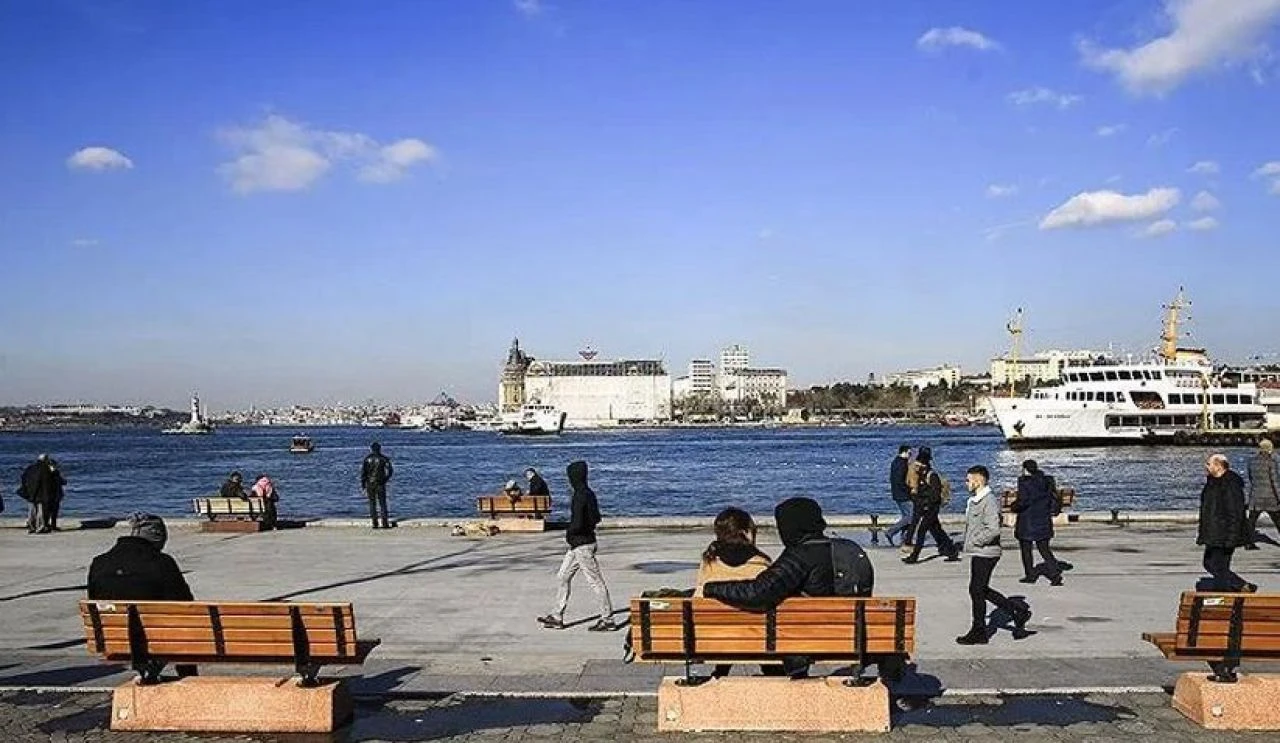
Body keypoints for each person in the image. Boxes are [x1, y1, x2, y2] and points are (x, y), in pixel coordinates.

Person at [702, 497, 880, 679]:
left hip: (807, 641)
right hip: (854, 635)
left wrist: (712, 588)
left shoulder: (798, 557)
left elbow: (757, 593)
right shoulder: (850, 549)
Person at [87, 513, 197, 677]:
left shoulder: (100, 562)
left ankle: (149, 673)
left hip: (114, 638)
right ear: (157, 537)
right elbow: (185, 602)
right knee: (185, 627)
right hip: (158, 638)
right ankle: (188, 678)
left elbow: (94, 598)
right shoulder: (161, 562)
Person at [956, 465, 1031, 645]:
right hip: (979, 551)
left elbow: (993, 529)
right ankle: (1016, 612)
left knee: (976, 590)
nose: (966, 483)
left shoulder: (988, 501)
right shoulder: (975, 500)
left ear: (978, 480)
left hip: (987, 552)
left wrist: (976, 541)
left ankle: (979, 631)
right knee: (980, 590)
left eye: (968, 479)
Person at [537, 460, 616, 632]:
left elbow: (578, 522)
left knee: (595, 582)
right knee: (563, 576)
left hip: (582, 545)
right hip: (579, 544)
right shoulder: (589, 494)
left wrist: (571, 531)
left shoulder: (579, 496)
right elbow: (597, 518)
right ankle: (557, 615)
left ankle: (607, 618)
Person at [695, 507, 772, 678]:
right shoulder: (761, 563)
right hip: (756, 636)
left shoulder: (709, 560)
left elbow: (699, 595)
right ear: (745, 531)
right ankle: (771, 670)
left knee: (727, 621)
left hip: (715, 636)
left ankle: (721, 671)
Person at [1197, 453, 1256, 592]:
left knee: (1219, 566)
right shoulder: (1212, 482)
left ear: (1218, 466)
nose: (1206, 466)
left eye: (1209, 464)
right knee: (1209, 563)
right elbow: (1207, 509)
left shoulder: (1230, 484)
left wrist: (1231, 537)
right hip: (1213, 533)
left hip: (1224, 534)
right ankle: (1241, 585)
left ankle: (1224, 595)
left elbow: (1235, 513)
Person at [902, 447, 959, 564]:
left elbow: (935, 495)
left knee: (922, 531)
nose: (916, 468)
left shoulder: (932, 476)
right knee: (937, 531)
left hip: (931, 509)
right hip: (925, 507)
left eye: (919, 466)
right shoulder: (921, 476)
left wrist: (925, 505)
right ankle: (951, 550)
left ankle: (915, 556)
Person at [1012, 460, 1064, 586]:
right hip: (1043, 519)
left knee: (1026, 550)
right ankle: (1055, 575)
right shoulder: (1047, 481)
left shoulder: (1025, 482)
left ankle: (1030, 575)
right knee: (1045, 549)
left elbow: (1023, 501)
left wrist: (1014, 507)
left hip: (1027, 521)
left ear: (1025, 469)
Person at [1245, 439, 1280, 549]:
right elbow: (1275, 481)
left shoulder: (1252, 462)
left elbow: (1251, 479)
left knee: (1251, 521)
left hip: (1255, 496)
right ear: (1269, 449)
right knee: (1278, 521)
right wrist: (1279, 496)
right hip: (1270, 497)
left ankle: (1248, 543)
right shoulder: (1271, 462)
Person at [20, 454, 60, 534]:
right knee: (41, 511)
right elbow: (53, 479)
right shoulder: (46, 469)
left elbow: (23, 478)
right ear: (46, 460)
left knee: (32, 511)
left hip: (30, 492)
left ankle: (31, 526)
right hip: (42, 492)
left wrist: (26, 489)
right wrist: (54, 470)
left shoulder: (30, 468)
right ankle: (40, 527)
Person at [884, 446, 914, 547]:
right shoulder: (902, 464)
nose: (910, 456)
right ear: (904, 452)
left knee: (906, 517)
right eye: (909, 454)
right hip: (903, 494)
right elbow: (901, 480)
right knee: (911, 517)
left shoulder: (895, 462)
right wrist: (909, 490)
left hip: (896, 493)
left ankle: (905, 540)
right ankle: (891, 532)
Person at [361, 442, 394, 529]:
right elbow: (390, 471)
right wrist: (385, 479)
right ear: (380, 448)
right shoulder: (384, 459)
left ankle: (375, 523)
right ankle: (385, 523)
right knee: (383, 503)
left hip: (370, 483)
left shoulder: (367, 459)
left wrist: (363, 484)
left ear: (371, 449)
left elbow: (363, 473)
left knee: (372, 504)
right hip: (380, 483)